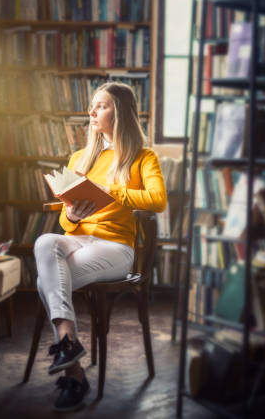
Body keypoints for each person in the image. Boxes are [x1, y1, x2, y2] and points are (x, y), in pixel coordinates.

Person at [33, 82, 167, 412]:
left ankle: (73, 374)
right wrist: (70, 213)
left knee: (44, 282)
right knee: (46, 241)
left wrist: (115, 190)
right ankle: (71, 353)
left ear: (119, 113)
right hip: (81, 239)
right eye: (92, 105)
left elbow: (158, 200)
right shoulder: (80, 157)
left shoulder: (142, 157)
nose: (92, 111)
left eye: (102, 105)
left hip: (116, 248)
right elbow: (67, 225)